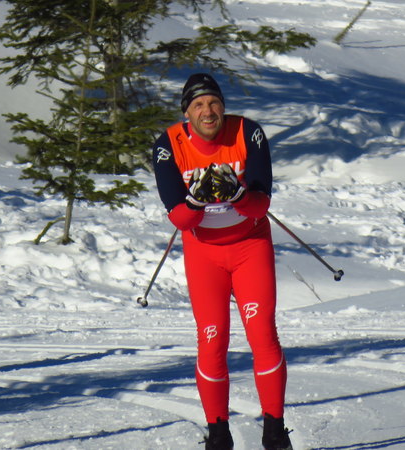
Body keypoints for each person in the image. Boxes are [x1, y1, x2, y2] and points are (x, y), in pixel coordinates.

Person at [152, 73, 292, 450]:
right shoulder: (168, 144)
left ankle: (274, 431)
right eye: (198, 105)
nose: (208, 111)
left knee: (262, 334)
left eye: (214, 102)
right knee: (212, 340)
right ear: (187, 113)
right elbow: (180, 218)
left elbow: (260, 205)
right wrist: (196, 201)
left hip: (250, 246)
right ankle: (218, 434)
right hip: (205, 254)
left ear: (223, 107)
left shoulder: (248, 132)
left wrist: (238, 194)